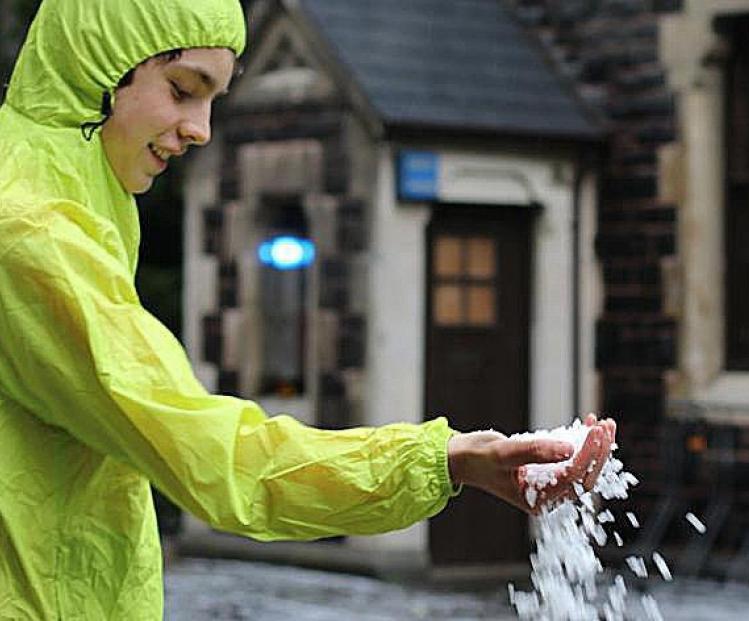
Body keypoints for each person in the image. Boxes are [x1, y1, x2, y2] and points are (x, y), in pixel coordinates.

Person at [0, 0, 616, 618]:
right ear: (97, 67)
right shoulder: (33, 236)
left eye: (212, 100)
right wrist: (443, 462)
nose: (201, 129)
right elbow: (219, 456)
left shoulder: (55, 202)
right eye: (184, 90)